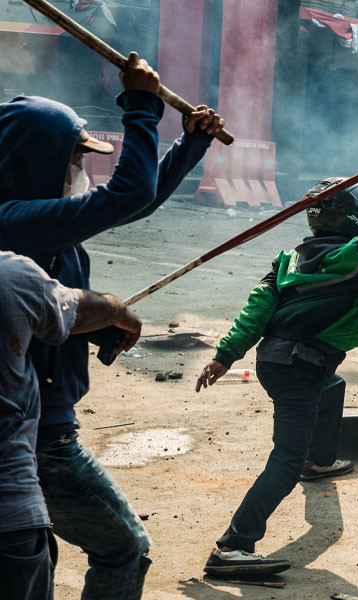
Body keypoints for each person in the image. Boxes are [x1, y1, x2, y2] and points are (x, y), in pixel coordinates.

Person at [0, 52, 225, 599]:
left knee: (38, 556)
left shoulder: (40, 219)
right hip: (40, 438)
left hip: (40, 425)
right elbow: (126, 196)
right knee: (125, 547)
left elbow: (130, 206)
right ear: (37, 157)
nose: (83, 170)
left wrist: (188, 144)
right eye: (75, 157)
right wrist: (142, 105)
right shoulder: (13, 221)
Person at [194, 154, 358, 575]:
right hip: (300, 367)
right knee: (284, 460)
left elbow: (256, 312)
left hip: (281, 362)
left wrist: (224, 355)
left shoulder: (287, 260)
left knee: (332, 387)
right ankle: (232, 547)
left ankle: (319, 462)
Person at [0, 251, 143, 600]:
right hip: (38, 457)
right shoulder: (11, 270)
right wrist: (119, 312)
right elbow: (78, 309)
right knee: (126, 548)